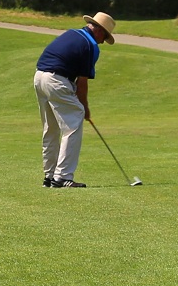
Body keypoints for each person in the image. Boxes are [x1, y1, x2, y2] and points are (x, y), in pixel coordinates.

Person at [34, 12, 116, 188]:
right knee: (73, 123)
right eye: (105, 36)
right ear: (99, 31)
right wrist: (84, 108)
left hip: (39, 77)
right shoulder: (90, 45)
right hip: (56, 80)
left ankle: (49, 176)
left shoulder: (72, 33)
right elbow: (82, 83)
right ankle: (62, 177)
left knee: (52, 128)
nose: (103, 41)